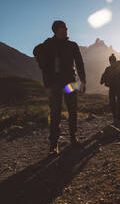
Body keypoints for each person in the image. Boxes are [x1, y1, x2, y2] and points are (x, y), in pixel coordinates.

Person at [33, 20, 86, 154]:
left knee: (73, 110)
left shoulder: (72, 45)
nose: (65, 32)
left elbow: (79, 63)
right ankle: (54, 144)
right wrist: (47, 86)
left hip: (71, 83)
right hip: (55, 84)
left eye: (66, 29)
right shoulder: (48, 45)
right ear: (55, 31)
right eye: (62, 30)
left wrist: (83, 81)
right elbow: (44, 67)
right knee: (55, 112)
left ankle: (73, 138)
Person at [100, 54, 120, 124]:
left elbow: (103, 78)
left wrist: (102, 81)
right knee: (119, 102)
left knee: (114, 103)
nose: (111, 62)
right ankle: (119, 118)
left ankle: (116, 117)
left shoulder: (108, 69)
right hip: (119, 88)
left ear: (110, 61)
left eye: (111, 61)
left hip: (113, 88)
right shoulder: (119, 68)